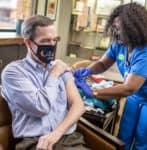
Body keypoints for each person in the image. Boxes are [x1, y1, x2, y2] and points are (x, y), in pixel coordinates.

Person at [1, 15, 89, 150]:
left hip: (69, 139)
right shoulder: (13, 72)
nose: (52, 45)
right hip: (34, 143)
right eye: (46, 41)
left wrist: (57, 133)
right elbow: (41, 107)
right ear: (28, 43)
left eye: (55, 40)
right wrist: (54, 74)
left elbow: (78, 105)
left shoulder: (61, 68)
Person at [74, 3, 147, 150]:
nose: (117, 32)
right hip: (135, 98)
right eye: (115, 27)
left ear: (135, 28)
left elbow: (128, 88)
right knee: (123, 136)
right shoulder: (120, 44)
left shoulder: (146, 51)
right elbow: (103, 64)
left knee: (143, 141)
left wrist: (93, 93)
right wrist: (88, 71)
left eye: (121, 28)